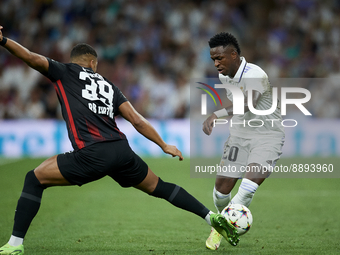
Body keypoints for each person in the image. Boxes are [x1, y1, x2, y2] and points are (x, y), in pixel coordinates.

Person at [0, 26, 239, 255]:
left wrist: (3, 41)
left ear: (75, 61)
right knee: (160, 187)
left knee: (34, 178)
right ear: (93, 63)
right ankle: (212, 217)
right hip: (122, 152)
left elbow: (31, 57)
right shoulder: (109, 86)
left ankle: (15, 243)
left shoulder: (64, 71)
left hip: (92, 153)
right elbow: (137, 120)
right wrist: (164, 145)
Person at [203, 32, 285, 250]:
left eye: (219, 58)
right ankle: (225, 218)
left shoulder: (255, 73)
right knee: (221, 191)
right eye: (213, 59)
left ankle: (219, 229)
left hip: (268, 135)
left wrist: (216, 114)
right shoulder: (225, 76)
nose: (216, 63)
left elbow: (248, 103)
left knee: (248, 186)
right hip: (240, 135)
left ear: (234, 55)